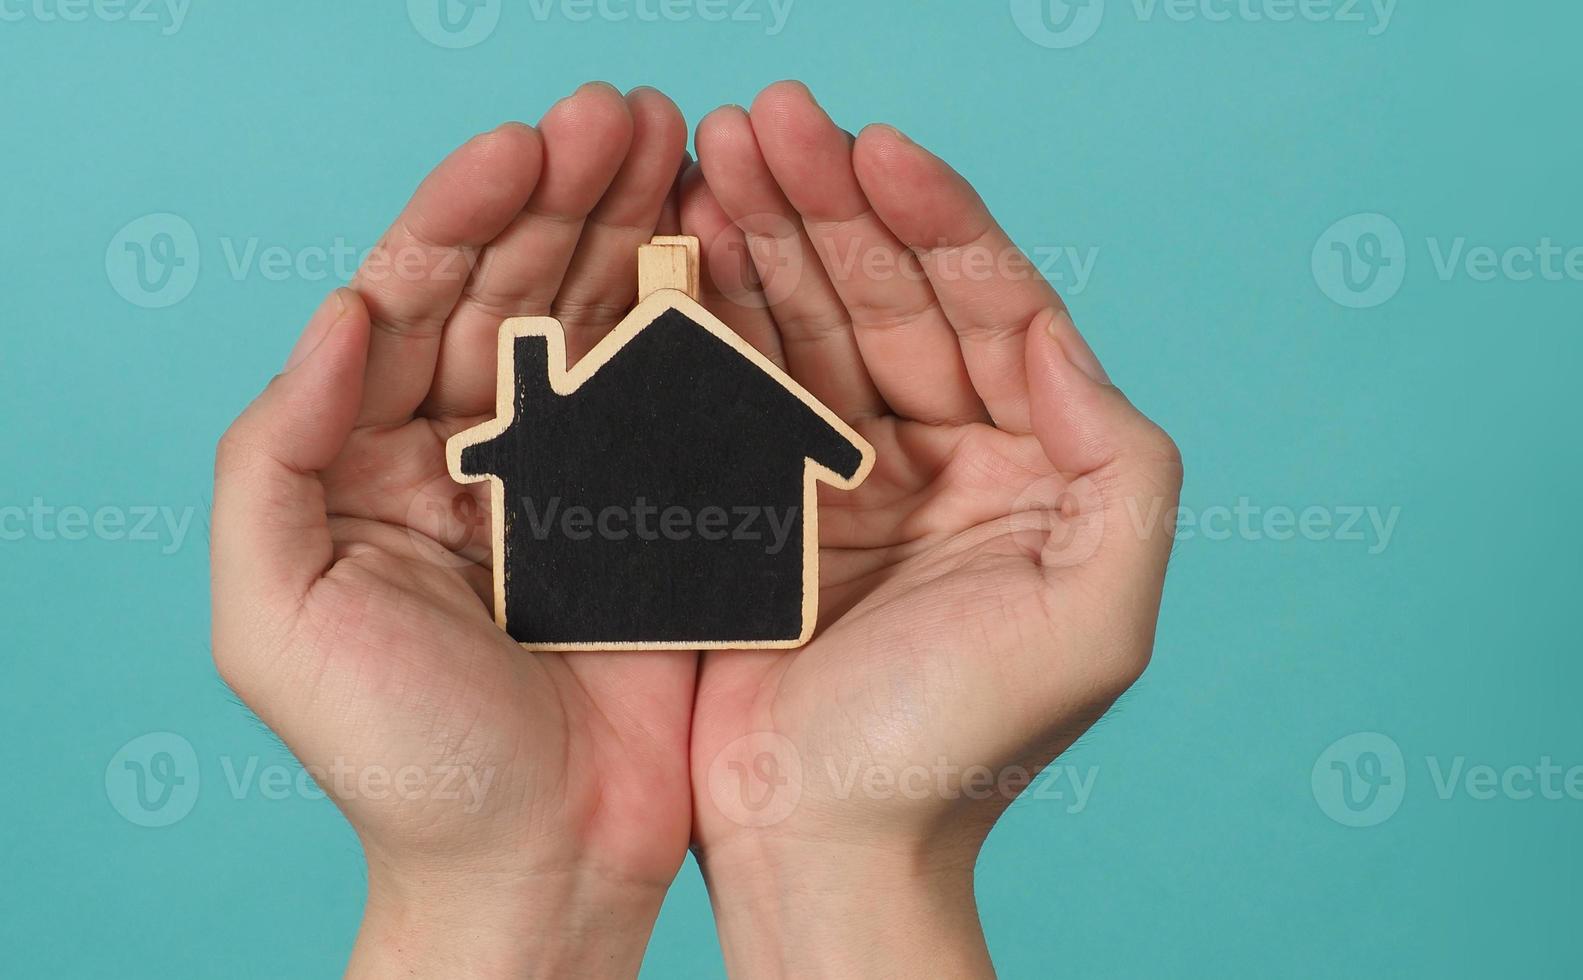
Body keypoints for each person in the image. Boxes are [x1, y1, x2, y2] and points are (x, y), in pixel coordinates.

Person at [208, 80, 1182, 978]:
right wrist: (497, 869)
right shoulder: (597, 414)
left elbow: (826, 451)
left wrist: (848, 851)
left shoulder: (678, 395)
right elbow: (805, 449)